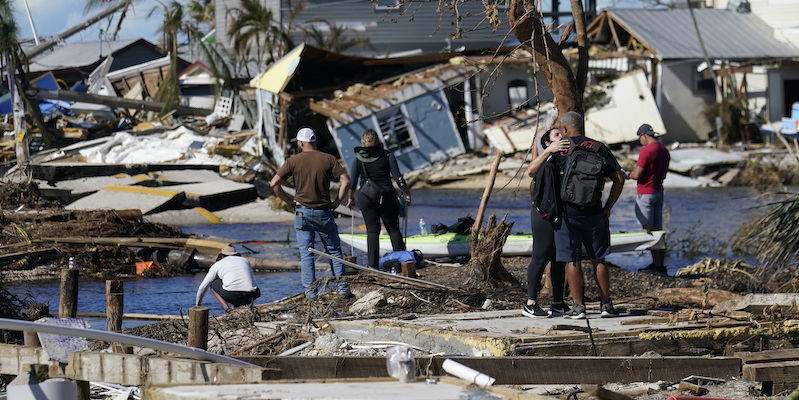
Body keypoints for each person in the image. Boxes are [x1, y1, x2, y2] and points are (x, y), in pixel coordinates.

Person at [552, 111, 625, 319]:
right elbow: (619, 178)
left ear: (564, 129)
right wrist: (608, 207)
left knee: (572, 260)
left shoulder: (561, 149)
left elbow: (542, 180)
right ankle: (606, 306)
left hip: (567, 214)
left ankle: (578, 307)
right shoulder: (599, 148)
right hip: (595, 212)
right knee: (598, 259)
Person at [270, 127, 352, 299]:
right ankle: (343, 289)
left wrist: (289, 201)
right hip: (324, 211)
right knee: (334, 250)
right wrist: (337, 202)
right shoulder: (329, 159)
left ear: (300, 143)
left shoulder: (293, 161)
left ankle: (311, 293)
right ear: (314, 142)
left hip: (302, 213)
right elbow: (346, 181)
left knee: (306, 253)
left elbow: (274, 184)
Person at [346, 129, 412, 270]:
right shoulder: (388, 155)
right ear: (377, 141)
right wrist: (407, 194)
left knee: (372, 231)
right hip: (386, 196)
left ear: (363, 143)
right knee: (393, 229)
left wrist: (350, 198)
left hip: (364, 197)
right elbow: (398, 178)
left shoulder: (358, 159)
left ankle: (373, 266)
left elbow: (352, 183)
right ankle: (401, 263)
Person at [522, 126, 570, 318]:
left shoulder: (562, 158)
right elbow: (530, 170)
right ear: (548, 144)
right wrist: (546, 150)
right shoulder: (547, 159)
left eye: (562, 133)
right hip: (542, 215)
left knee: (558, 260)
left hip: (558, 215)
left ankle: (558, 303)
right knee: (540, 258)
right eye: (557, 135)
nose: (561, 137)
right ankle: (530, 304)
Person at [627, 123, 671, 276]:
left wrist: (627, 174)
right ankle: (660, 264)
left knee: (648, 230)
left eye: (640, 138)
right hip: (659, 192)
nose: (640, 141)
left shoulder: (646, 150)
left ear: (644, 135)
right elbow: (664, 175)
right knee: (658, 230)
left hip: (646, 193)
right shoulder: (664, 150)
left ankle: (655, 265)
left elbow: (637, 174)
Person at [195, 245, 260, 312]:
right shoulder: (245, 261)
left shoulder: (218, 264)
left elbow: (204, 285)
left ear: (222, 256)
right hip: (252, 295)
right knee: (239, 285)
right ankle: (235, 308)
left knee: (213, 282)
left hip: (232, 295)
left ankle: (227, 309)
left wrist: (198, 303)